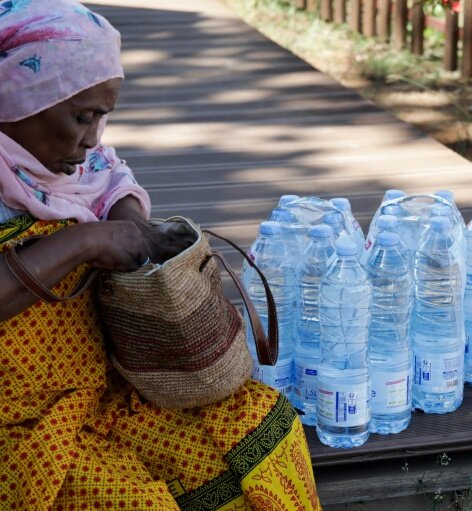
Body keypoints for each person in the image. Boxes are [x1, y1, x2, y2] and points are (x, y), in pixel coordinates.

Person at [0, 1, 321, 509]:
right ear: (19, 96)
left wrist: (130, 220)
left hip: (101, 390)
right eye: (81, 118)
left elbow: (110, 174)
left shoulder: (68, 162)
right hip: (19, 424)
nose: (92, 140)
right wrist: (86, 241)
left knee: (260, 424)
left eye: (103, 117)